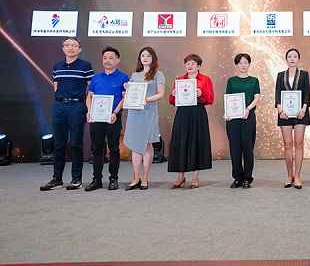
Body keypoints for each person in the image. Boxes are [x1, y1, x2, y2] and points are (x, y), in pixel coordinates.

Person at [40, 37, 94, 191]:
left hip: (77, 106)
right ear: (63, 48)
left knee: (76, 143)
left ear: (79, 49)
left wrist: (88, 107)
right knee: (59, 144)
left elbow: (92, 89)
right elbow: (56, 86)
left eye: (74, 45)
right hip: (59, 106)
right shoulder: (57, 66)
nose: (71, 48)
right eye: (68, 45)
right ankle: (57, 178)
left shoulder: (85, 66)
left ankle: (76, 178)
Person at [84, 46, 129, 191]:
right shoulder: (96, 77)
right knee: (97, 149)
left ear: (117, 60)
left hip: (113, 118)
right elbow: (90, 96)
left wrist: (115, 112)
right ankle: (96, 179)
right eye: (104, 58)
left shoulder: (123, 77)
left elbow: (125, 98)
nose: (107, 61)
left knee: (114, 149)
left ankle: (113, 178)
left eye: (111, 58)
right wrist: (89, 111)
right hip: (97, 119)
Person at [168, 54, 214, 189]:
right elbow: (172, 101)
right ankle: (180, 176)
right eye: (187, 63)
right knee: (180, 142)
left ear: (199, 66)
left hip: (197, 112)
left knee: (197, 142)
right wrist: (173, 95)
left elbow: (210, 99)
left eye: (193, 63)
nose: (190, 66)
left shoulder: (205, 79)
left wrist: (201, 94)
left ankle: (195, 176)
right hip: (182, 113)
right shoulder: (179, 80)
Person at [123, 47, 165, 191]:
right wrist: (127, 88)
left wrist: (146, 99)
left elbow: (161, 94)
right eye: (142, 55)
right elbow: (130, 94)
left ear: (153, 58)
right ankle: (136, 178)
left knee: (147, 144)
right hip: (135, 113)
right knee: (135, 145)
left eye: (148, 55)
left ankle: (145, 177)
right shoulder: (135, 75)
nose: (145, 58)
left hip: (148, 112)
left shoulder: (158, 74)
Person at [275, 48, 310, 189]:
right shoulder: (280, 75)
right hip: (284, 114)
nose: (292, 59)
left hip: (301, 113)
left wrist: (303, 109)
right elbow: (277, 94)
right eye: (290, 56)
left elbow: (307, 93)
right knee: (287, 144)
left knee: (299, 143)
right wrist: (280, 110)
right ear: (286, 59)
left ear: (298, 59)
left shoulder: (304, 74)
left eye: (295, 56)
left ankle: (298, 176)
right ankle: (290, 175)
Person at [225, 53, 261, 189]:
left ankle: (247, 178)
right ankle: (237, 178)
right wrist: (227, 113)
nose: (243, 65)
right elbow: (228, 98)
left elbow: (257, 98)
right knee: (235, 149)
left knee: (247, 148)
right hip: (233, 119)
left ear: (249, 64)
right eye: (240, 63)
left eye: (245, 62)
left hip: (248, 117)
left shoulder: (254, 81)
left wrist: (248, 109)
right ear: (236, 65)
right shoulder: (231, 81)